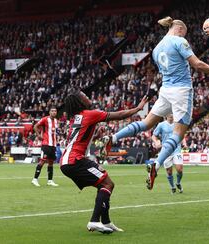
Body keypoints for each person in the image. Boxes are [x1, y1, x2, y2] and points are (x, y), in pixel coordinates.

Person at [102, 16, 209, 190]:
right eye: (183, 33)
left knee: (146, 123)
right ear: (179, 29)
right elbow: (198, 65)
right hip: (181, 91)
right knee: (178, 134)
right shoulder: (179, 41)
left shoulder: (156, 49)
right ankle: (156, 164)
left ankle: (113, 137)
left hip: (166, 90)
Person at [60, 88, 147, 234]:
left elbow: (80, 137)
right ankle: (94, 221)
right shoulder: (90, 114)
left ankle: (106, 221)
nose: (87, 96)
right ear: (81, 101)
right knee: (107, 183)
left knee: (106, 185)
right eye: (84, 95)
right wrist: (138, 108)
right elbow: (119, 115)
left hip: (69, 160)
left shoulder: (77, 117)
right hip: (75, 160)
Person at [152, 114, 183, 194]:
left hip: (177, 149)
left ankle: (178, 183)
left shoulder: (178, 124)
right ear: (166, 115)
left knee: (179, 169)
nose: (171, 115)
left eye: (172, 113)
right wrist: (156, 141)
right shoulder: (161, 125)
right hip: (166, 150)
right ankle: (172, 187)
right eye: (169, 113)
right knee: (169, 172)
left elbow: (182, 134)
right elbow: (154, 136)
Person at [31, 107, 59, 187]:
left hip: (53, 145)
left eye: (55, 111)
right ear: (49, 112)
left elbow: (55, 132)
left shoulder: (56, 121)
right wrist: (38, 135)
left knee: (51, 162)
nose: (54, 112)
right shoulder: (45, 119)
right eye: (52, 111)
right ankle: (35, 179)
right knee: (42, 161)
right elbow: (35, 126)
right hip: (46, 144)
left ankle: (50, 180)